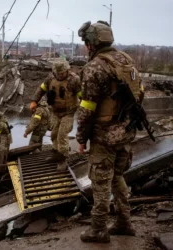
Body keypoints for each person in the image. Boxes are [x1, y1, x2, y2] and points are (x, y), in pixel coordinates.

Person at [76, 20, 143, 243]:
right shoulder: (127, 61)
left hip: (104, 135)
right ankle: (124, 222)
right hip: (126, 132)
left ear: (93, 43)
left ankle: (98, 229)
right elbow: (139, 93)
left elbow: (87, 108)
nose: (86, 47)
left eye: (86, 42)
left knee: (101, 182)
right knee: (118, 177)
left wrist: (81, 138)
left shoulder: (95, 66)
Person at [31, 60, 81, 171]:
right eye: (58, 73)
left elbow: (82, 95)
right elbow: (41, 89)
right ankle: (56, 152)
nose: (60, 75)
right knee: (54, 134)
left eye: (62, 73)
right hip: (55, 111)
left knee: (62, 135)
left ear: (67, 70)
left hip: (68, 113)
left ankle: (63, 159)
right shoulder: (50, 79)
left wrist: (85, 110)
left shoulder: (74, 80)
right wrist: (34, 101)